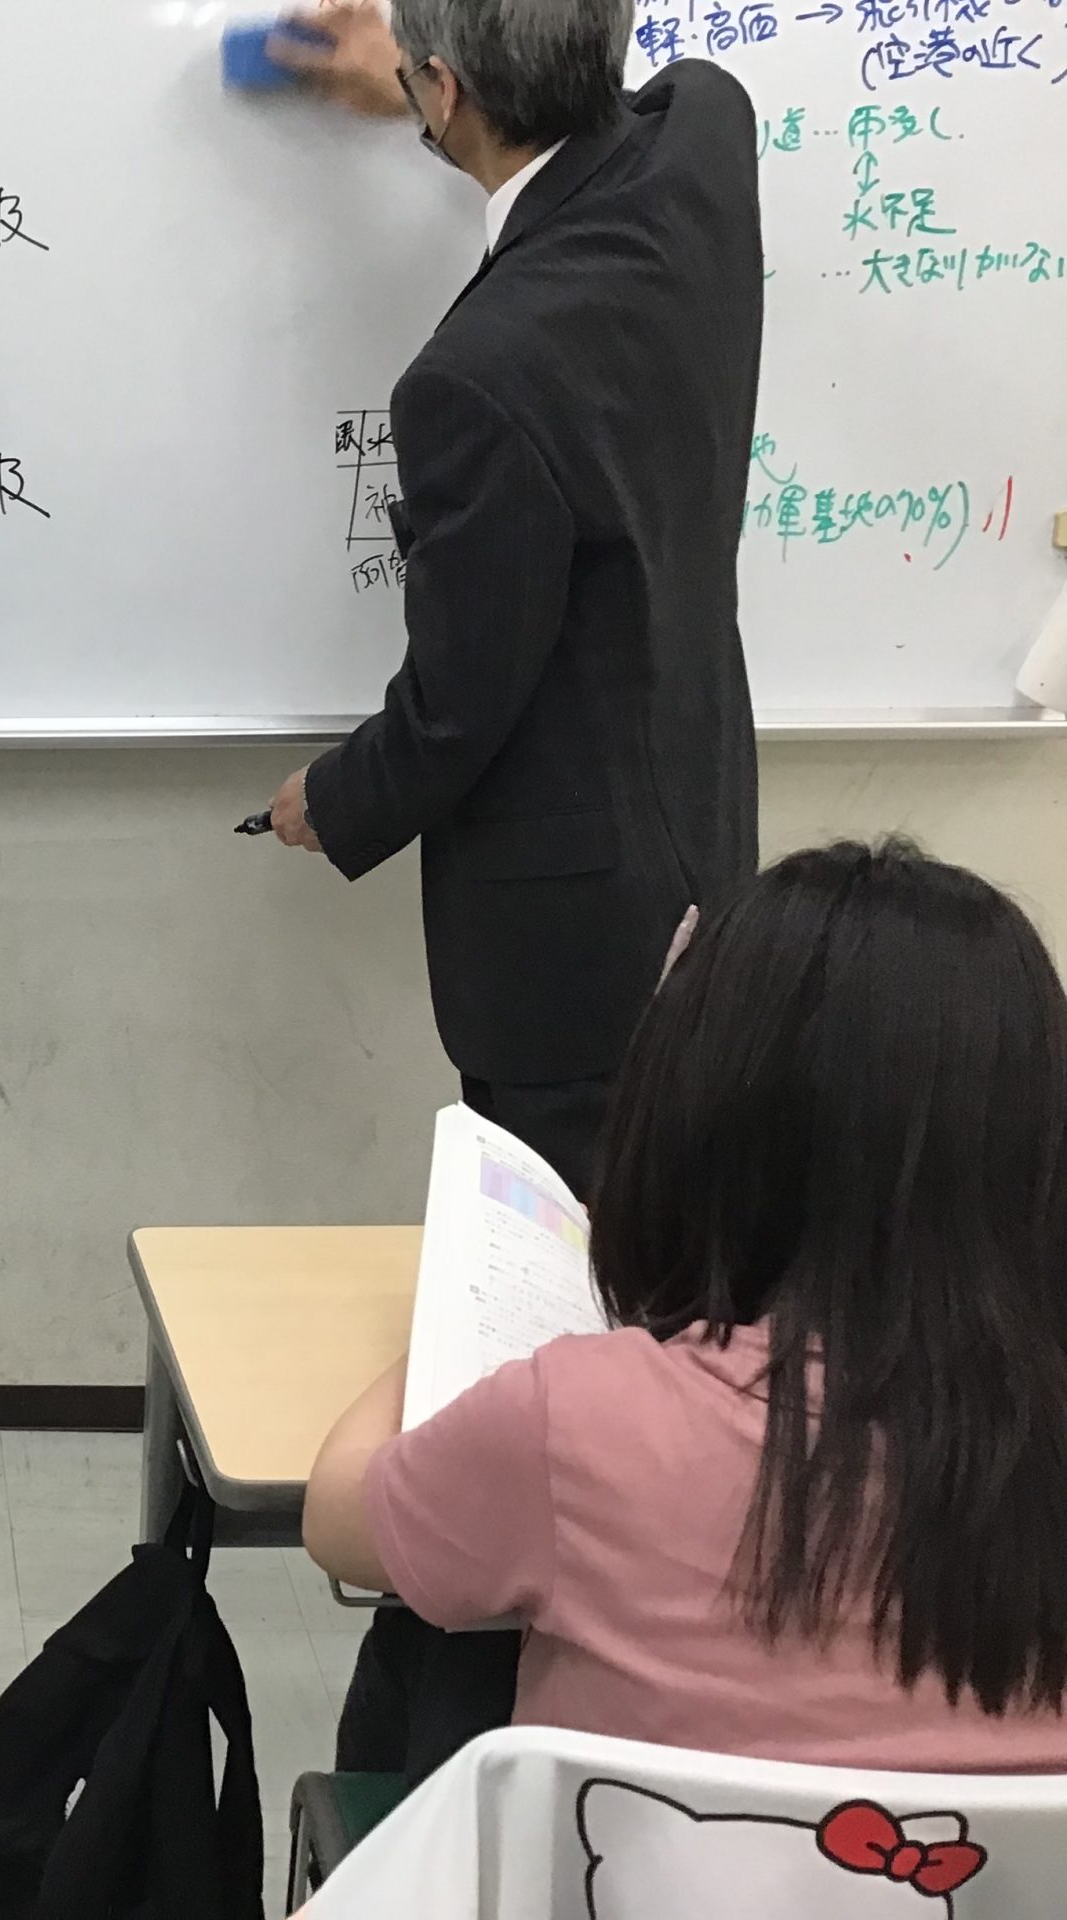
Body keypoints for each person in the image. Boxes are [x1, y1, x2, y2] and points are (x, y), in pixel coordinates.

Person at [304, 841, 1067, 1771]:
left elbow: (338, 1517)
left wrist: (451, 1290)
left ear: (695, 1117)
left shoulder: (580, 1419)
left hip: (614, 1860)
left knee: (438, 1641)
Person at [263, 0, 763, 1202]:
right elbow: (649, 98)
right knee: (673, 1238)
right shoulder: (705, 144)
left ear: (443, 89)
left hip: (571, 954)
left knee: (568, 1267)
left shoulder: (473, 381)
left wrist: (330, 800)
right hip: (704, 849)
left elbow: (460, 703)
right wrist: (438, 102)